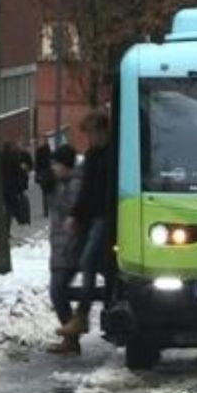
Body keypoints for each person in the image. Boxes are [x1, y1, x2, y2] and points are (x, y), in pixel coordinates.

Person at [58, 110, 113, 338]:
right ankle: (86, 313)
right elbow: (86, 191)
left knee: (89, 260)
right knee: (90, 261)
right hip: (93, 217)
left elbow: (95, 190)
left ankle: (82, 314)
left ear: (101, 131)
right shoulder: (93, 155)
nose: (89, 138)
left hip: (105, 216)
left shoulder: (111, 155)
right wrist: (76, 216)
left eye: (91, 133)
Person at [46, 144, 83, 354]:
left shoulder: (74, 185)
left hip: (68, 247)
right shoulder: (62, 183)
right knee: (58, 291)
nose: (53, 168)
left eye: (56, 164)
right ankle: (71, 338)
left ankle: (72, 338)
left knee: (58, 290)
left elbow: (71, 212)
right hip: (61, 246)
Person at [35, 135, 55, 219]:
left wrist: (37, 174)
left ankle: (46, 211)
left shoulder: (40, 151)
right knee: (48, 192)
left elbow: (37, 164)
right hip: (48, 173)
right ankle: (49, 210)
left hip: (43, 174)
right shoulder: (49, 150)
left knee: (45, 193)